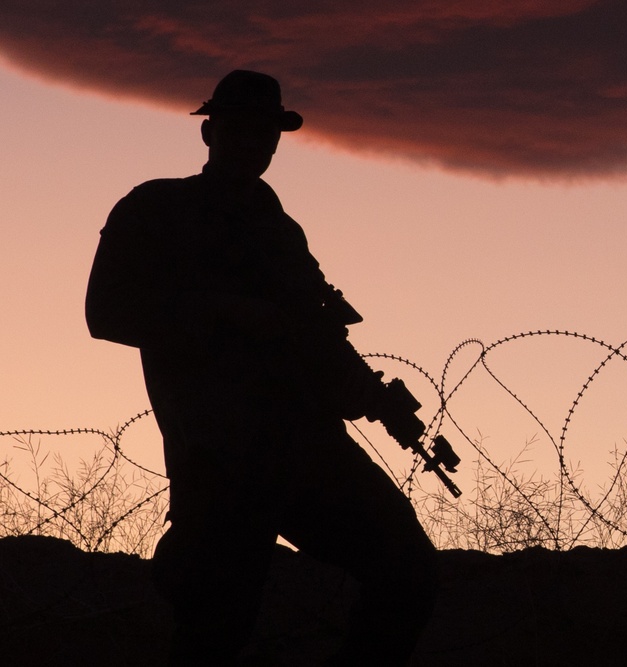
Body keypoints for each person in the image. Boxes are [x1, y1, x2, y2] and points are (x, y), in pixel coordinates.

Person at [85, 70, 438, 666]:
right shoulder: (158, 208)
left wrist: (362, 392)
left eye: (268, 133)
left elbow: (313, 336)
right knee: (216, 629)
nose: (257, 143)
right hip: (222, 456)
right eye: (241, 129)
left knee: (409, 572)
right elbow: (108, 312)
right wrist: (228, 314)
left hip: (308, 448)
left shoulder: (280, 230)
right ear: (209, 132)